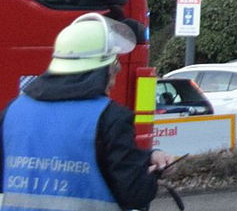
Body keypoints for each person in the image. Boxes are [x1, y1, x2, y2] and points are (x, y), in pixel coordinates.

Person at [0, 13, 172, 210]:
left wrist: (145, 157)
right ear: (100, 70)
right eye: (114, 68)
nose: (114, 80)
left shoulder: (13, 111)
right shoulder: (111, 118)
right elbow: (134, 194)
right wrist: (152, 174)